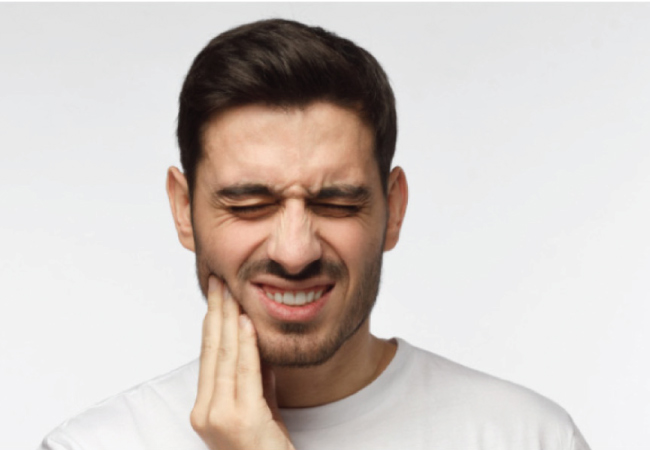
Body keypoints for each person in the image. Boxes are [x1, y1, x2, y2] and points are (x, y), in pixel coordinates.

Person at [38, 18, 590, 450]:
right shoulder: (93, 445)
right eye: (250, 204)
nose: (295, 251)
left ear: (393, 209)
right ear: (183, 210)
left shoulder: (529, 437)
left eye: (336, 203)